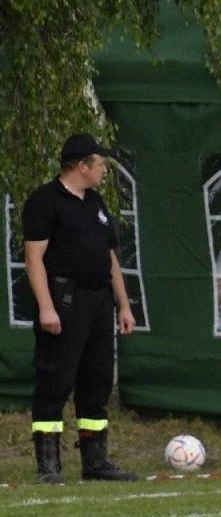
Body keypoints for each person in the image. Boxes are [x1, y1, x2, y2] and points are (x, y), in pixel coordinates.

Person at [21, 133, 139, 484]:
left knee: (97, 379)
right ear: (81, 166)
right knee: (55, 379)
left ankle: (95, 460)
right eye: (100, 164)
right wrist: (46, 307)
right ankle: (48, 463)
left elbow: (110, 257)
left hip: (99, 300)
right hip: (64, 299)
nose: (104, 171)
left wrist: (123, 305)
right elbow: (33, 258)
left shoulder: (96, 203)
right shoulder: (45, 201)